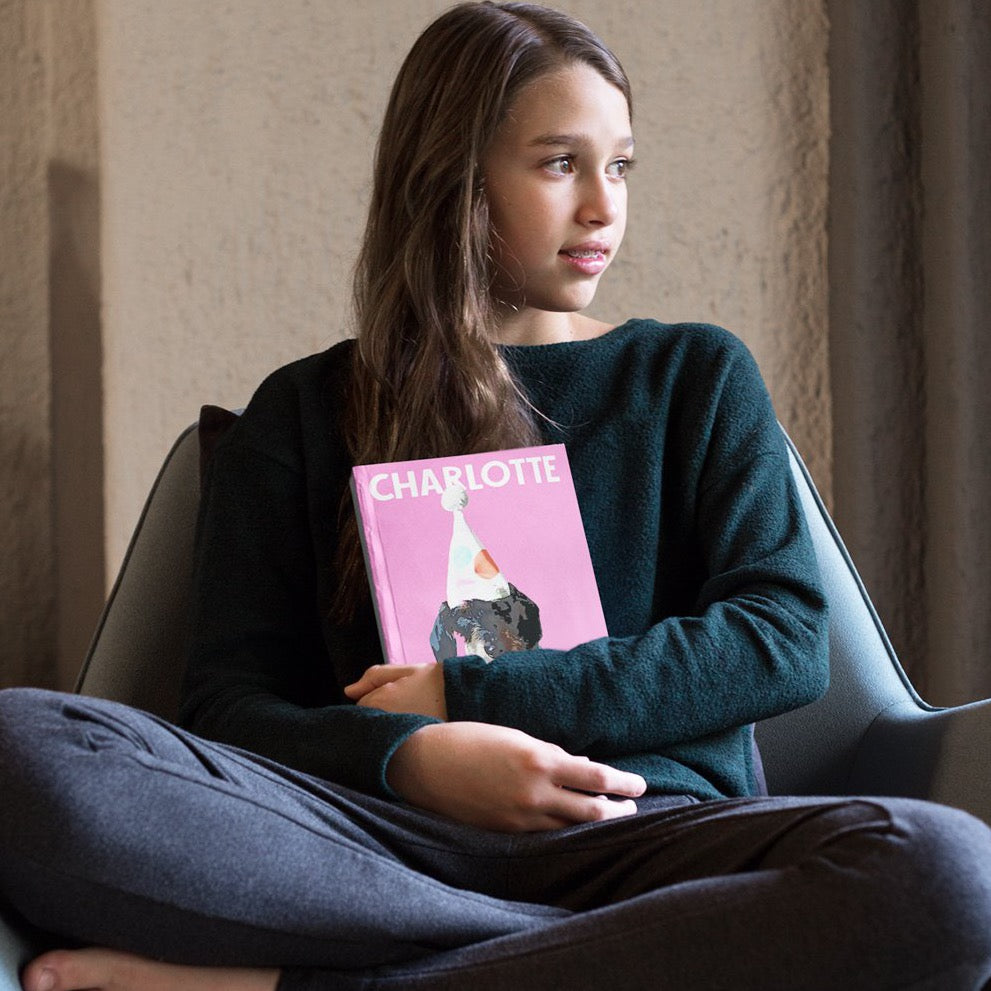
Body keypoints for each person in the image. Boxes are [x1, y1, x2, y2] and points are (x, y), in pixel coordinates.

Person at [2, 3, 991, 989]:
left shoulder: (692, 377)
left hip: (646, 846)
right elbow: (230, 709)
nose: (603, 206)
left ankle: (308, 986)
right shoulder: (301, 413)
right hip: (382, 851)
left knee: (947, 874)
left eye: (620, 166)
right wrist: (416, 759)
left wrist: (470, 694)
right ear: (455, 181)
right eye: (560, 164)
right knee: (24, 748)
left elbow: (778, 641)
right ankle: (546, 961)